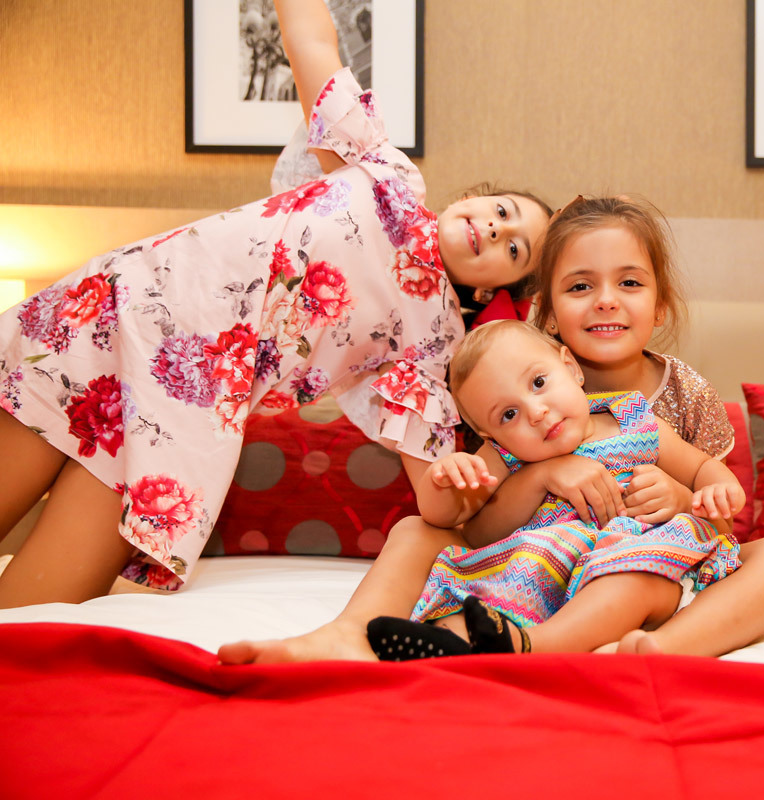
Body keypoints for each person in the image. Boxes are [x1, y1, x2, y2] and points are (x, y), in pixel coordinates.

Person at [0, 0, 551, 607]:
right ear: (475, 198)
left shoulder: (431, 342)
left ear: (490, 290)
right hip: (105, 319)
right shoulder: (384, 174)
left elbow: (434, 500)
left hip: (180, 418)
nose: (497, 228)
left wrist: (463, 480)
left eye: (515, 247)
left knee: (29, 619)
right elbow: (312, 43)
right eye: (503, 210)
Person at [218, 196, 764, 664]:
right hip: (537, 559)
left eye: (630, 283)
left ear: (660, 304)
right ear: (548, 316)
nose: (606, 301)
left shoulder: (670, 399)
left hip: (649, 563)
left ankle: (663, 649)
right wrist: (545, 472)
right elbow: (473, 524)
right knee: (414, 531)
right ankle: (349, 636)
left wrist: (683, 496)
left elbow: (720, 512)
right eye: (580, 286)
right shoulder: (511, 384)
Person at [366, 319, 743, 657]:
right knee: (488, 591)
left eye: (538, 383)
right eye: (508, 415)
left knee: (630, 581)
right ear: (489, 434)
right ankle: (446, 641)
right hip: (542, 577)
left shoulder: (634, 420)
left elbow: (701, 468)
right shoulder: (504, 455)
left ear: (570, 367)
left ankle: (535, 646)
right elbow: (452, 522)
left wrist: (714, 490)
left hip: (635, 563)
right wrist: (444, 478)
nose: (536, 412)